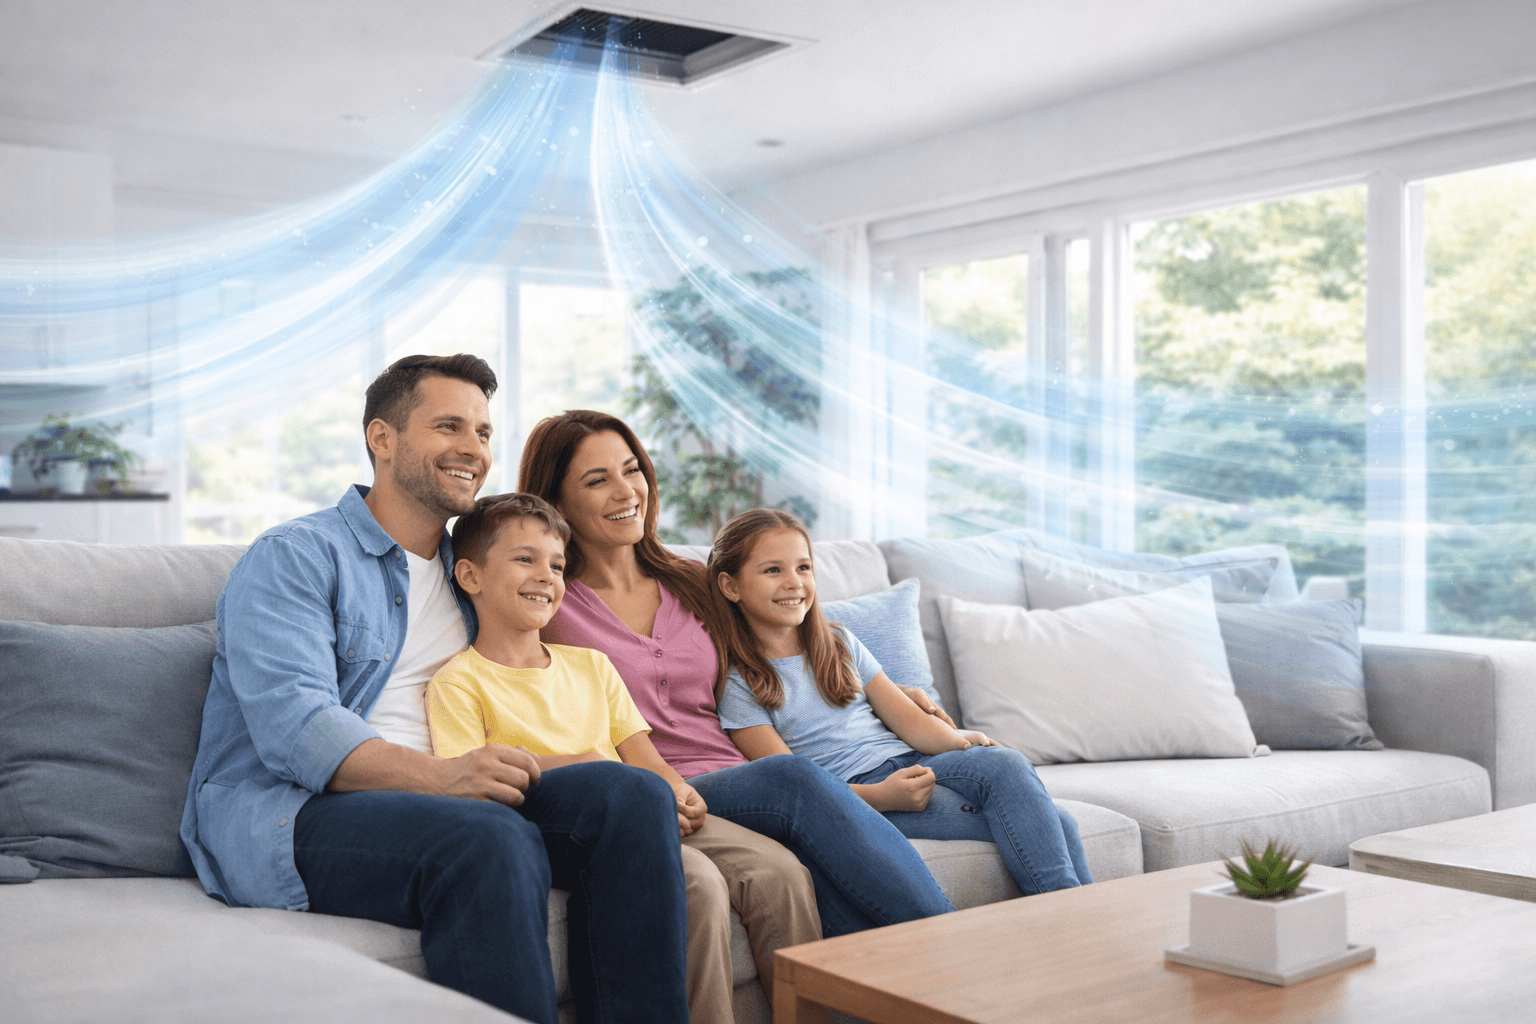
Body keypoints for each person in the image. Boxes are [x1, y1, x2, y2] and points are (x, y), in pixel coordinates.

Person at [178, 355, 689, 1024]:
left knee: (631, 793)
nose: (472, 450)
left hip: (460, 790)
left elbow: (549, 621)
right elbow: (295, 727)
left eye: (482, 432)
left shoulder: (471, 568)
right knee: (488, 838)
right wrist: (443, 777)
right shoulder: (296, 556)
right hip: (299, 811)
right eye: (449, 426)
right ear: (381, 439)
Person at [519, 409, 957, 939]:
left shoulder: (694, 581)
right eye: (597, 480)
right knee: (795, 779)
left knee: (813, 865)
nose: (625, 491)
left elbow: (785, 646)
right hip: (665, 787)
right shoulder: (549, 603)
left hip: (742, 770)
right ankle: (951, 947)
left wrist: (878, 690)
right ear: (556, 501)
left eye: (632, 470)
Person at [425, 492, 819, 1024]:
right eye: (525, 559)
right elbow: (477, 783)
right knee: (699, 884)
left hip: (650, 802)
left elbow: (644, 755)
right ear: (470, 576)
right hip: (581, 827)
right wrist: (585, 762)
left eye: (557, 565)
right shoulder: (458, 682)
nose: (546, 576)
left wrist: (678, 791)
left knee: (782, 872)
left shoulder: (591, 665)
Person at [709, 508, 1093, 897]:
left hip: (918, 762)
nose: (794, 583)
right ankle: (1071, 930)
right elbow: (788, 785)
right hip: (862, 792)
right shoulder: (738, 684)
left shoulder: (839, 642)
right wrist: (882, 797)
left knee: (1006, 762)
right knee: (1059, 823)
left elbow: (908, 720)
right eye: (773, 570)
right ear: (731, 586)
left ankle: (1072, 929)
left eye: (803, 568)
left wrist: (963, 743)